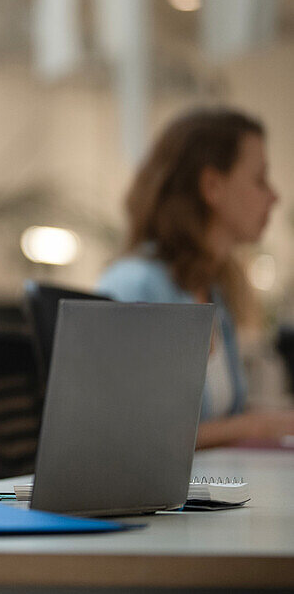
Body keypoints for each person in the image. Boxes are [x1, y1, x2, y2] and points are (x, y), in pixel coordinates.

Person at [97, 106, 293, 449]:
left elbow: (218, 420)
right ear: (212, 186)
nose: (274, 196)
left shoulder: (213, 290)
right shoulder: (133, 285)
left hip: (210, 492)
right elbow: (129, 434)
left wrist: (263, 421)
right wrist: (255, 425)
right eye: (260, 179)